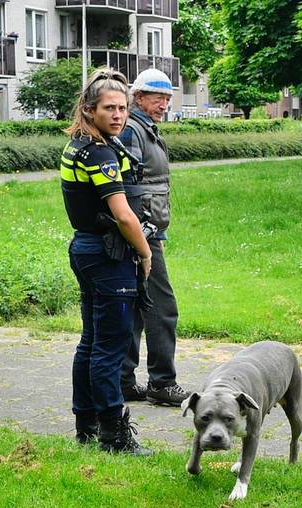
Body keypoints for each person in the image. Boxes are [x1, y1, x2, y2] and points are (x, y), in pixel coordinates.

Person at [62, 68, 155, 456]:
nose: (118, 115)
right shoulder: (100, 153)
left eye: (122, 108)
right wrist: (145, 253)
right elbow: (124, 216)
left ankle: (86, 426)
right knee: (109, 349)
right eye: (109, 108)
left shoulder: (79, 146)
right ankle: (114, 436)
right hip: (106, 255)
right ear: (89, 110)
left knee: (90, 343)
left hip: (85, 249)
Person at [117, 68, 190, 408]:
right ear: (139, 97)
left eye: (167, 98)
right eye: (158, 98)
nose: (164, 104)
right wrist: (144, 235)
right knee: (162, 308)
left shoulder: (145, 129)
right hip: (142, 234)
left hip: (146, 231)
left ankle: (123, 381)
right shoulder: (133, 130)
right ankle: (163, 383)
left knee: (135, 308)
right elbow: (127, 188)